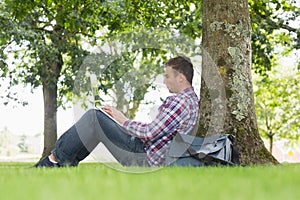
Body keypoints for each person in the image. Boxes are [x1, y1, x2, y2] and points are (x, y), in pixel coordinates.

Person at [34, 56, 199, 167]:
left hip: (143, 157)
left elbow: (149, 132)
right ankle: (62, 162)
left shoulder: (180, 102)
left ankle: (52, 162)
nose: (164, 81)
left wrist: (122, 119)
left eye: (167, 76)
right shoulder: (191, 100)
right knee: (98, 124)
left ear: (181, 78)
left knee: (94, 118)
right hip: (148, 153)